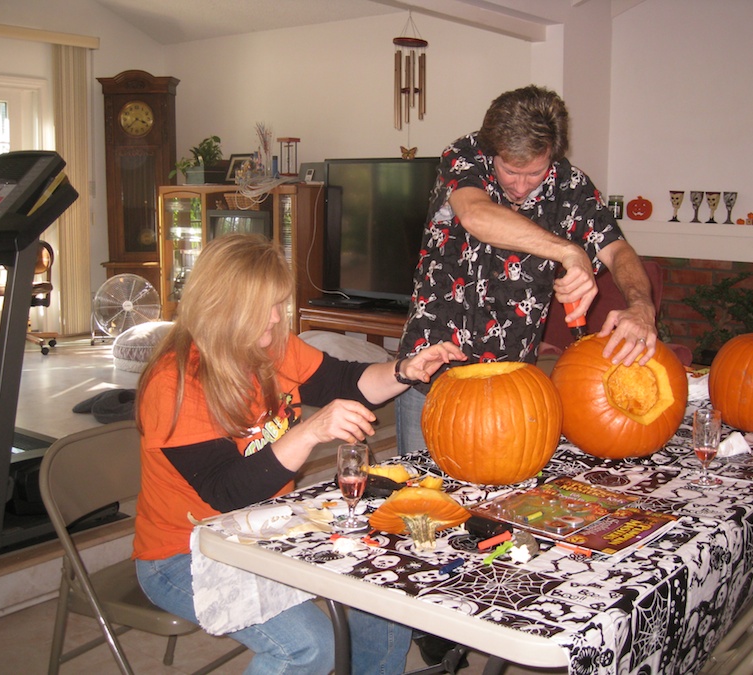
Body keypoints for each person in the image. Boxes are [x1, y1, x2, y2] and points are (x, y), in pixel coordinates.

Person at [133, 234, 465, 675]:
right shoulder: (174, 384)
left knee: (385, 590)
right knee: (307, 648)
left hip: (265, 527)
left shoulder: (268, 343)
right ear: (221, 306)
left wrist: (405, 370)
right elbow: (227, 492)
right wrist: (309, 431)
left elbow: (343, 382)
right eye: (265, 307)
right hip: (185, 551)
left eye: (279, 303)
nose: (276, 318)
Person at [396, 84, 658, 456]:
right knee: (422, 501)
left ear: (552, 154)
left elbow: (619, 252)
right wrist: (570, 252)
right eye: (510, 171)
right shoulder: (464, 156)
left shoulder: (571, 187)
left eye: (534, 173)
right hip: (431, 376)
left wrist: (641, 306)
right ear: (493, 152)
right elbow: (476, 215)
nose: (520, 186)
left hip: (513, 389)